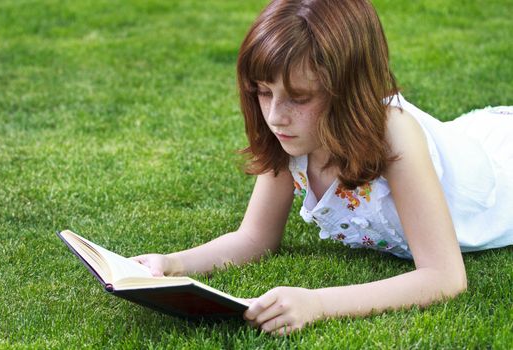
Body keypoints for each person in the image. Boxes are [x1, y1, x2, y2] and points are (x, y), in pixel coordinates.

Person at [132, 0, 513, 336]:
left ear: (350, 91)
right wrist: (171, 263)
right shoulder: (293, 136)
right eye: (263, 92)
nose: (275, 116)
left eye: (299, 97)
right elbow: (254, 238)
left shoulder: (394, 134)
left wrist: (317, 303)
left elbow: (445, 277)